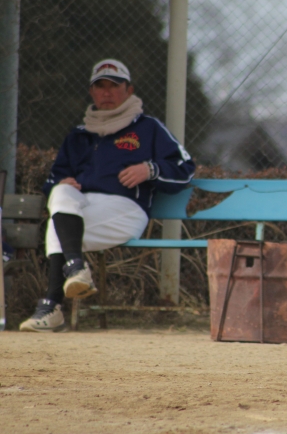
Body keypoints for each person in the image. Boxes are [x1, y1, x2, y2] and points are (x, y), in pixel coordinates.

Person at [20, 59, 195, 332]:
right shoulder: (79, 135)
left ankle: (52, 305)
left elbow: (185, 169)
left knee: (58, 226)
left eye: (114, 86)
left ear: (129, 90)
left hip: (125, 209)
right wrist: (59, 182)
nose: (107, 92)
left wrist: (150, 170)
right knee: (60, 194)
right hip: (82, 207)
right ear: (92, 92)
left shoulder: (148, 127)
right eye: (100, 86)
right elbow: (53, 178)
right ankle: (76, 270)